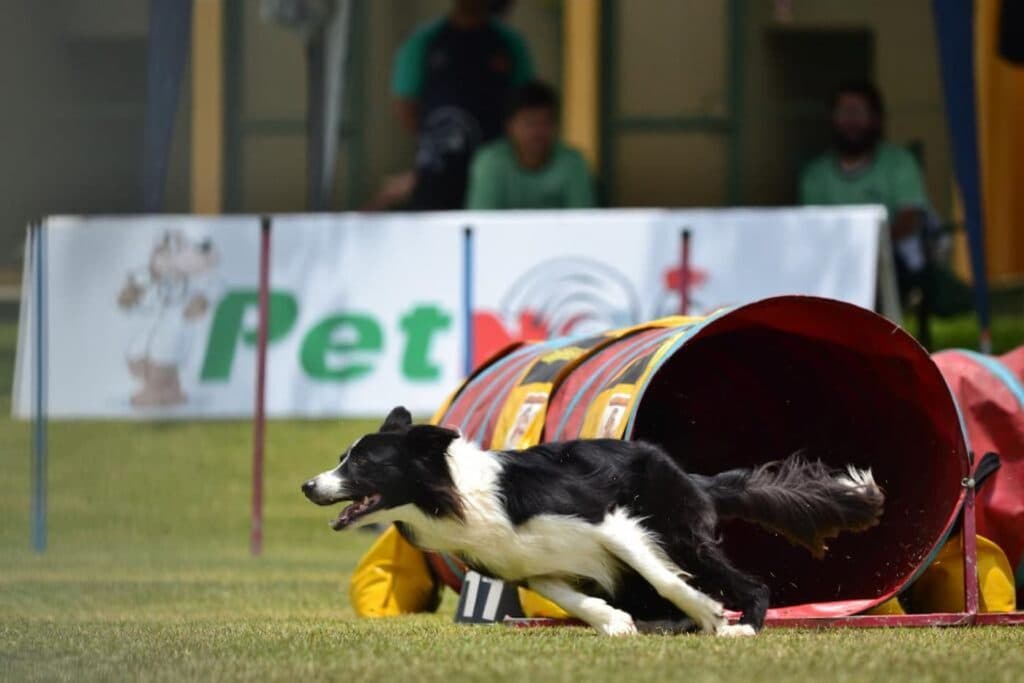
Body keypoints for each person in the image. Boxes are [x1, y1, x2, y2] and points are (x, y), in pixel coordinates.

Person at [390, 0, 534, 210]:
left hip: (495, 165)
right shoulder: (424, 41)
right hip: (439, 169)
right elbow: (405, 104)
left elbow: (524, 102)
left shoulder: (509, 43)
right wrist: (435, 140)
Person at [800, 80, 936, 299]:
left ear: (876, 118)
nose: (851, 121)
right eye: (844, 112)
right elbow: (813, 228)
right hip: (833, 260)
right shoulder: (815, 174)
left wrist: (869, 246)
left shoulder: (900, 162)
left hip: (889, 257)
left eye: (859, 112)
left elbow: (910, 219)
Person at [465, 81, 595, 210]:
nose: (538, 132)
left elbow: (583, 218)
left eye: (545, 123)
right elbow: (481, 218)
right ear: (510, 126)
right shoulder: (490, 161)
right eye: (530, 123)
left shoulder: (572, 162)